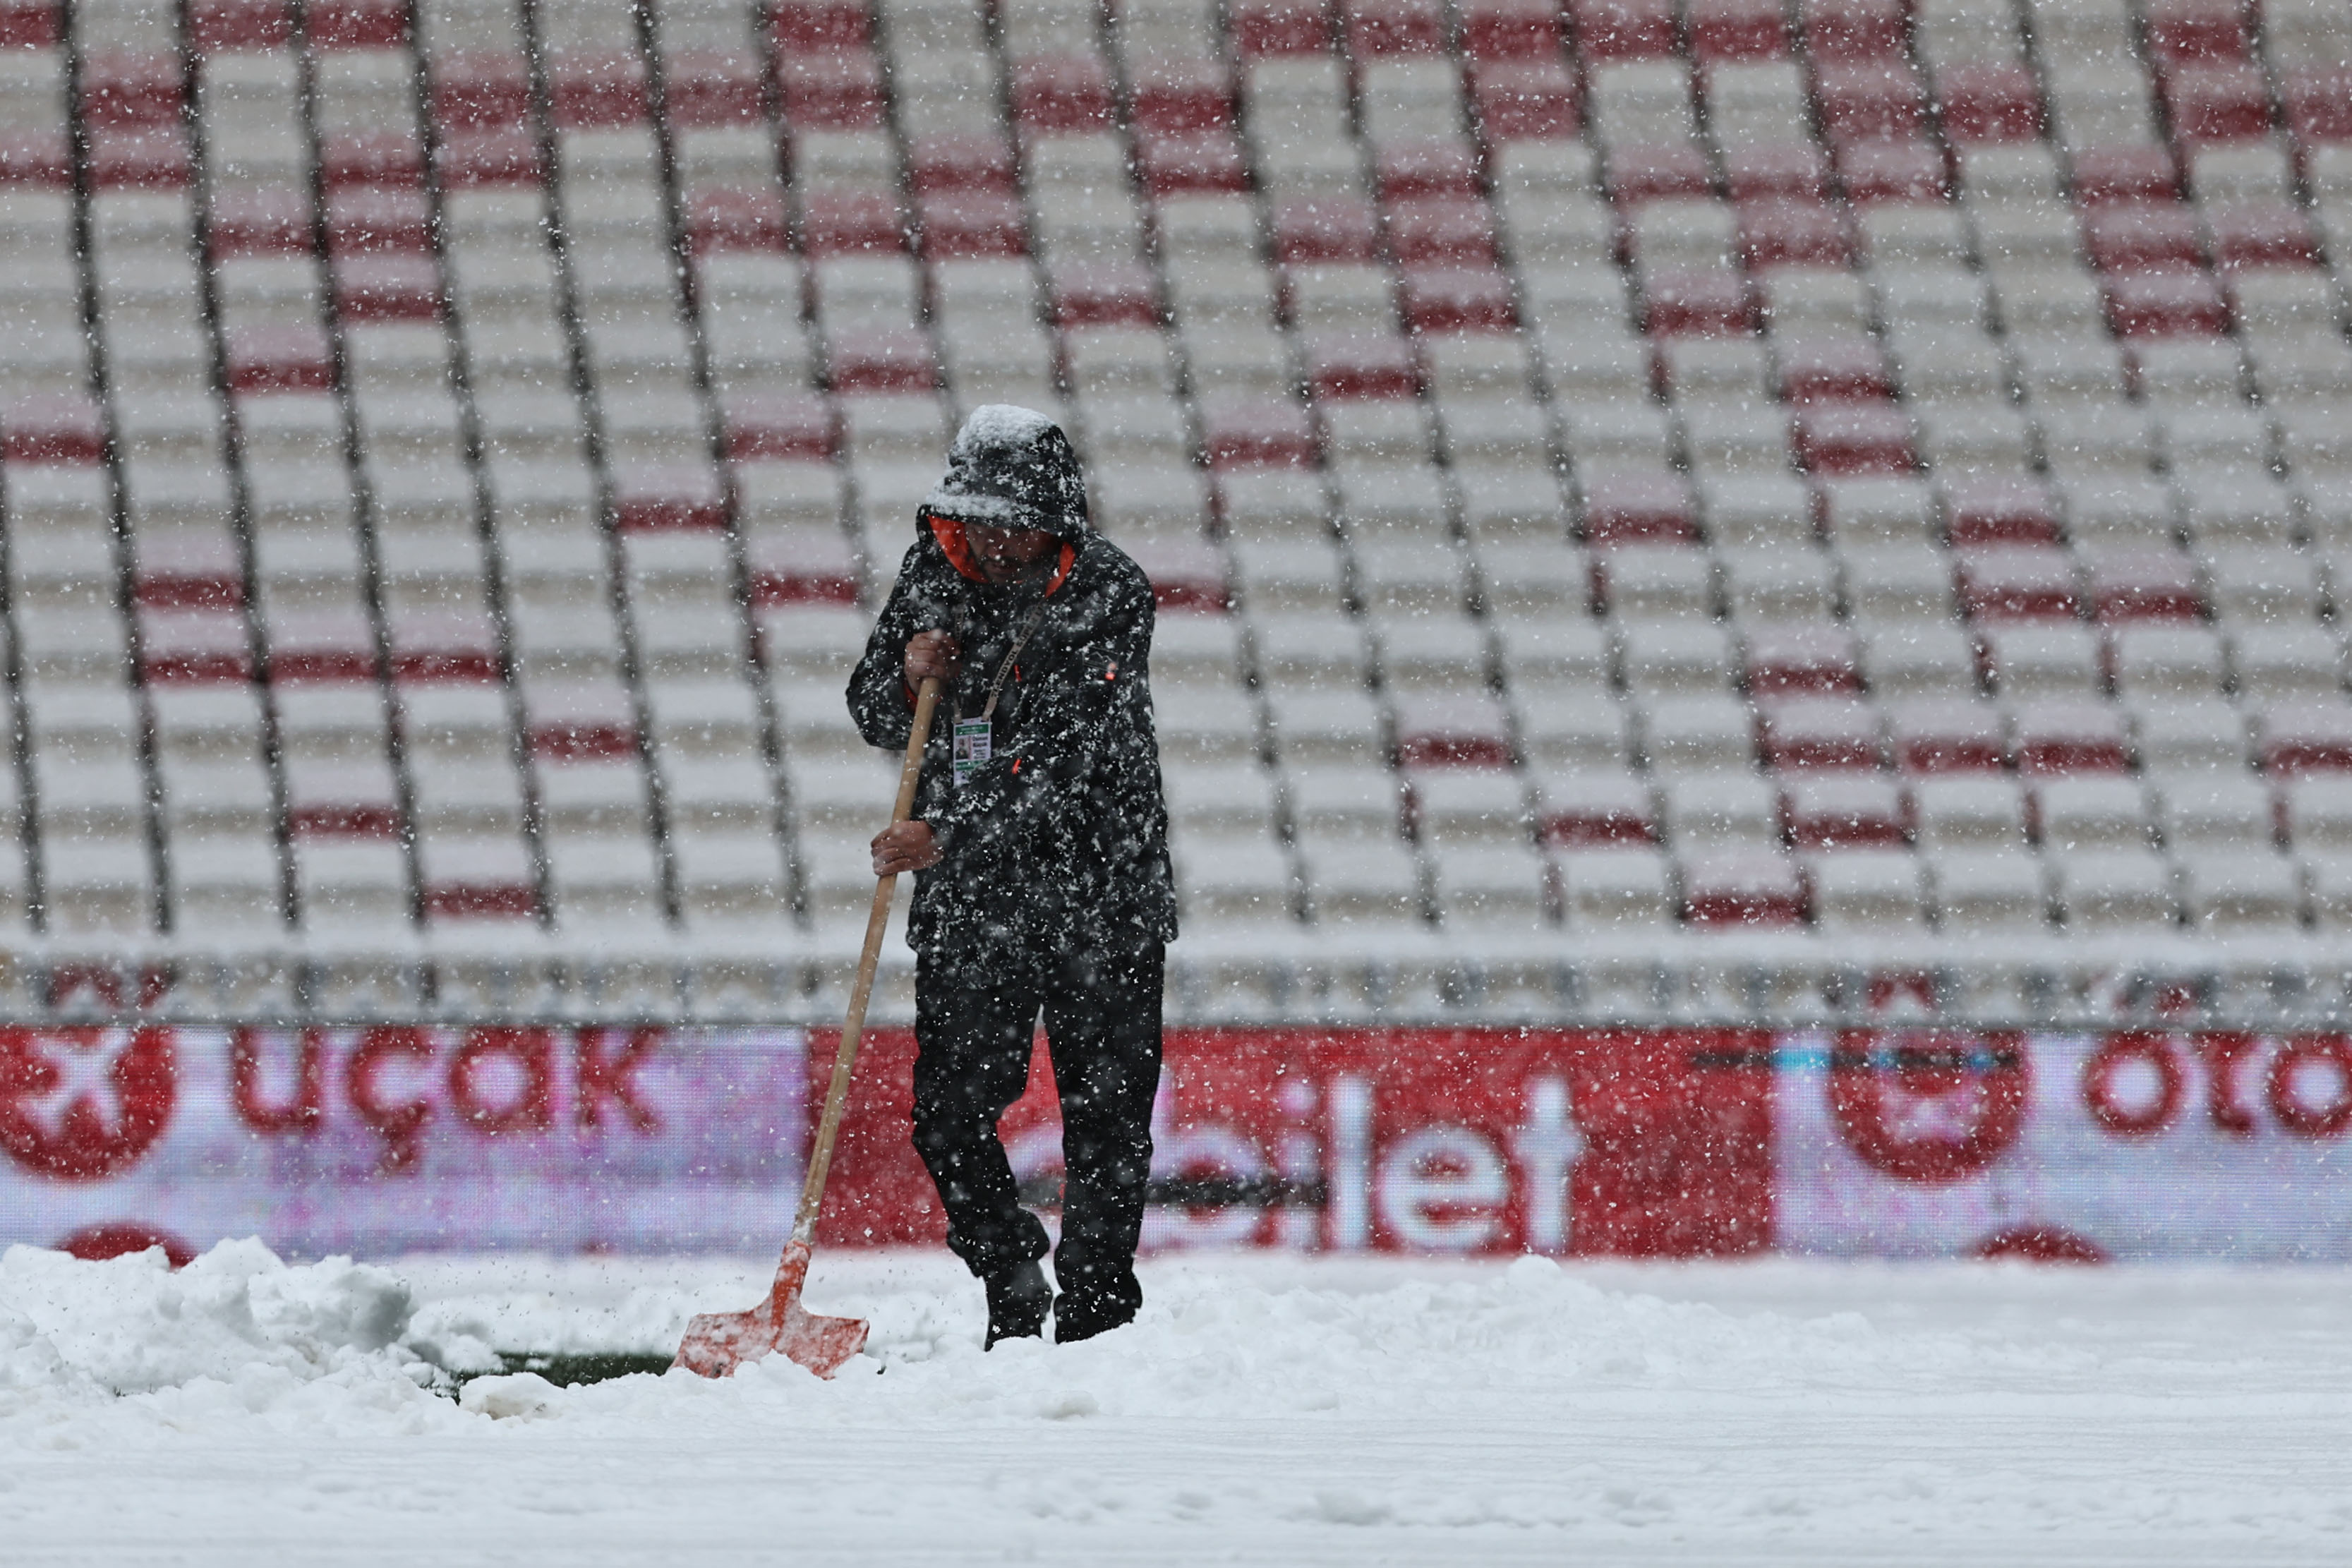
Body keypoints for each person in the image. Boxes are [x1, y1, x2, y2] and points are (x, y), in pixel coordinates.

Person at [846, 405, 1177, 1347]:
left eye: (1011, 519)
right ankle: (1008, 1271)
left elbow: (1062, 756)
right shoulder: (933, 571)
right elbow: (873, 709)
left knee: (1105, 1124)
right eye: (977, 518)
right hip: (973, 910)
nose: (992, 540)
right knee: (947, 1115)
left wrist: (942, 832)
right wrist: (909, 674)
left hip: (1102, 895)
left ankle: (1096, 1318)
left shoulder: (1109, 592)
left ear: (1055, 516)